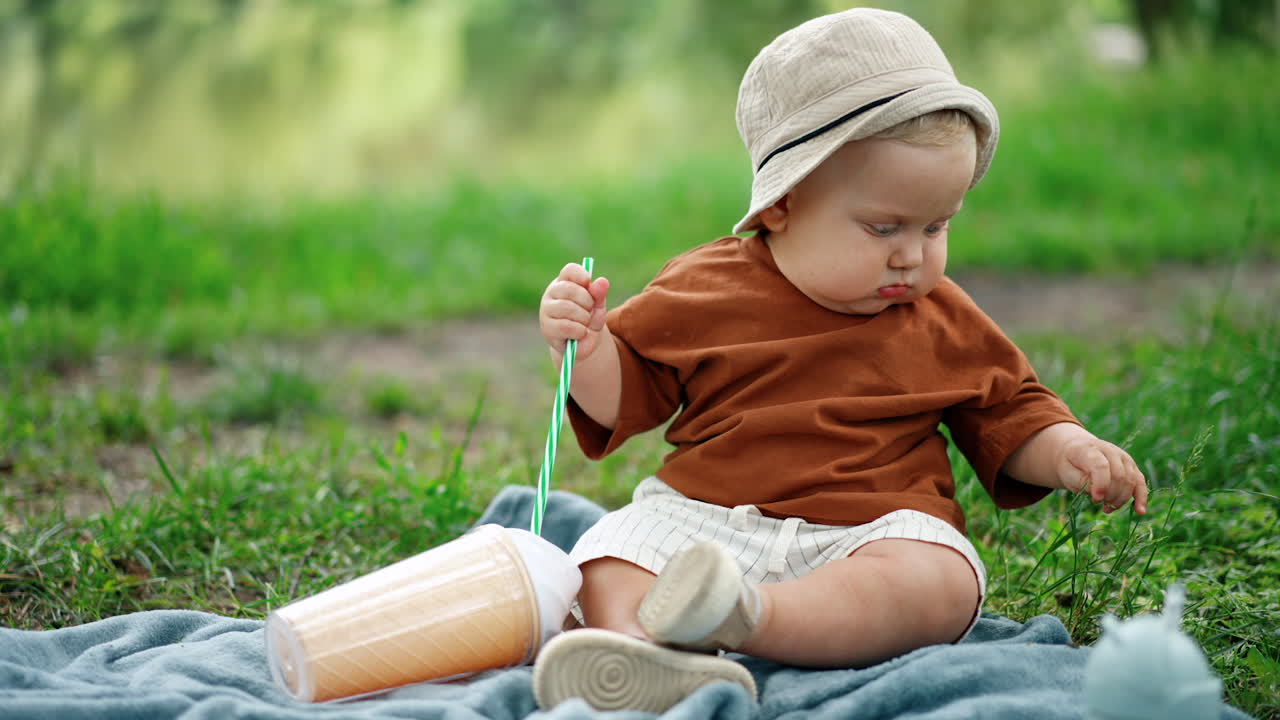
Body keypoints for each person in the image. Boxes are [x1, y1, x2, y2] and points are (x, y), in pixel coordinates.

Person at [530, 7, 1148, 714]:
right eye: (883, 227)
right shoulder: (705, 289)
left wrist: (1069, 450)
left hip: (872, 534)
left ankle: (747, 619)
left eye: (936, 226)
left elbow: (1009, 411)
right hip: (708, 522)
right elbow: (626, 395)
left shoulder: (939, 316)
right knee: (608, 553)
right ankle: (642, 657)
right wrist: (587, 348)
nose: (912, 254)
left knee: (939, 579)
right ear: (783, 205)